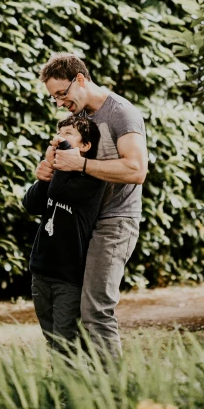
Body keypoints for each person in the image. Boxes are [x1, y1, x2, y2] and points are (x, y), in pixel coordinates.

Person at [36, 53, 148, 358]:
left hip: (115, 220)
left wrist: (81, 165)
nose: (59, 102)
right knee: (69, 307)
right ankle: (79, 390)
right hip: (80, 220)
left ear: (81, 79)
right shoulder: (80, 118)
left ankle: (112, 397)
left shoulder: (121, 113)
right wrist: (45, 171)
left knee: (95, 308)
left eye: (62, 94)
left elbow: (137, 170)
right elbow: (65, 161)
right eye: (54, 98)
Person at [23, 113, 105, 351]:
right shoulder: (56, 177)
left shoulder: (91, 180)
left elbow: (58, 192)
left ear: (86, 145)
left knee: (65, 340)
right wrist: (45, 172)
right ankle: (62, 383)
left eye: (69, 135)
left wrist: (61, 158)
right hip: (41, 270)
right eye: (59, 134)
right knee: (51, 337)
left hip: (68, 276)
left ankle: (68, 385)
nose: (59, 139)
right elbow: (31, 205)